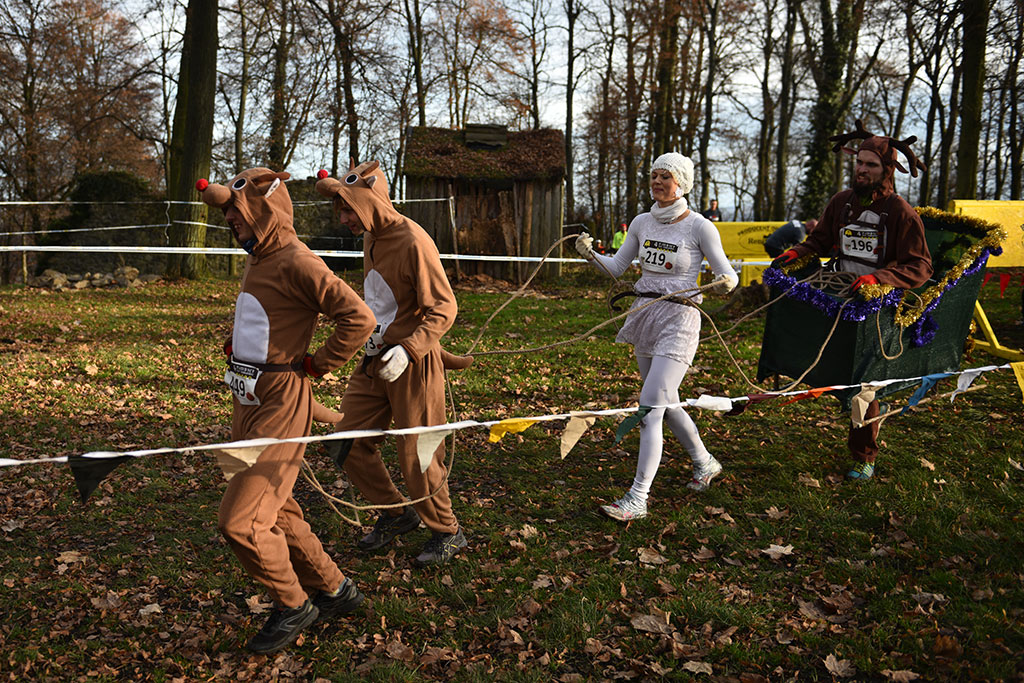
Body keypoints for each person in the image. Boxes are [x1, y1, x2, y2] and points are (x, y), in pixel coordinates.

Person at [197, 168, 376, 654]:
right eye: (229, 213)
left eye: (238, 212)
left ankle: (293, 604)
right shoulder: (260, 257)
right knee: (275, 509)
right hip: (248, 400)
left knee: (241, 522)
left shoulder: (299, 260)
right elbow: (267, 316)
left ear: (265, 212)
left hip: (279, 405)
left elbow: (359, 317)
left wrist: (319, 365)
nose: (232, 220)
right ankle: (336, 589)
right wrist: (240, 347)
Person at [315, 162, 471, 566]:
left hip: (412, 363)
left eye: (350, 210)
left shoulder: (413, 240)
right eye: (342, 211)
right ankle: (396, 514)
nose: (345, 219)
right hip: (374, 359)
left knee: (418, 451)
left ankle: (447, 531)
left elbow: (444, 306)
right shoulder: (370, 236)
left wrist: (410, 349)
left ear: (370, 200)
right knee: (345, 441)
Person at [575, 153, 738, 521]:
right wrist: (591, 255)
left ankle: (637, 498)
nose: (658, 182)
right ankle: (705, 461)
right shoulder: (641, 222)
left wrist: (729, 281)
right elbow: (617, 267)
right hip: (646, 314)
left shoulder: (699, 227)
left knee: (649, 407)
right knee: (666, 400)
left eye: (665, 176)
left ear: (682, 182)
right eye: (654, 176)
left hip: (680, 319)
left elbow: (727, 272)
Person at [771, 120, 932, 481]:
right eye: (859, 163)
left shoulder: (901, 212)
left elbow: (920, 265)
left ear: (886, 170)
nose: (862, 169)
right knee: (837, 371)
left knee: (863, 386)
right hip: (840, 298)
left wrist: (880, 279)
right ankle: (872, 407)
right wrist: (795, 253)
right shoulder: (840, 203)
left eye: (871, 165)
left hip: (879, 308)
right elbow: (820, 241)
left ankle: (864, 454)